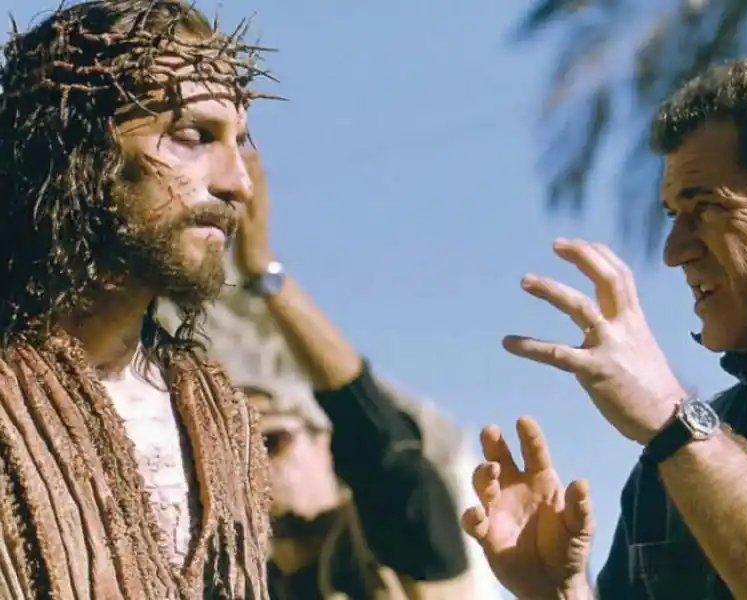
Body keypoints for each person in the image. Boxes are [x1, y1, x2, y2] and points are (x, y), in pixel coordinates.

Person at [462, 49, 747, 599]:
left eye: (708, 208)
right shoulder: (685, 450)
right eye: (674, 215)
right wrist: (559, 591)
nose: (674, 252)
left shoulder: (682, 437)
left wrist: (676, 422)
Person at [0, 1, 274, 597]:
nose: (238, 183)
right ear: (77, 150)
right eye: (193, 137)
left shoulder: (222, 415)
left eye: (239, 142)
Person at [190, 150, 500, 599]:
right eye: (235, 454)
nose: (254, 467)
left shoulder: (395, 546)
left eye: (271, 442)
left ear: (327, 442)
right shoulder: (239, 582)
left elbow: (376, 440)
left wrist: (266, 277)